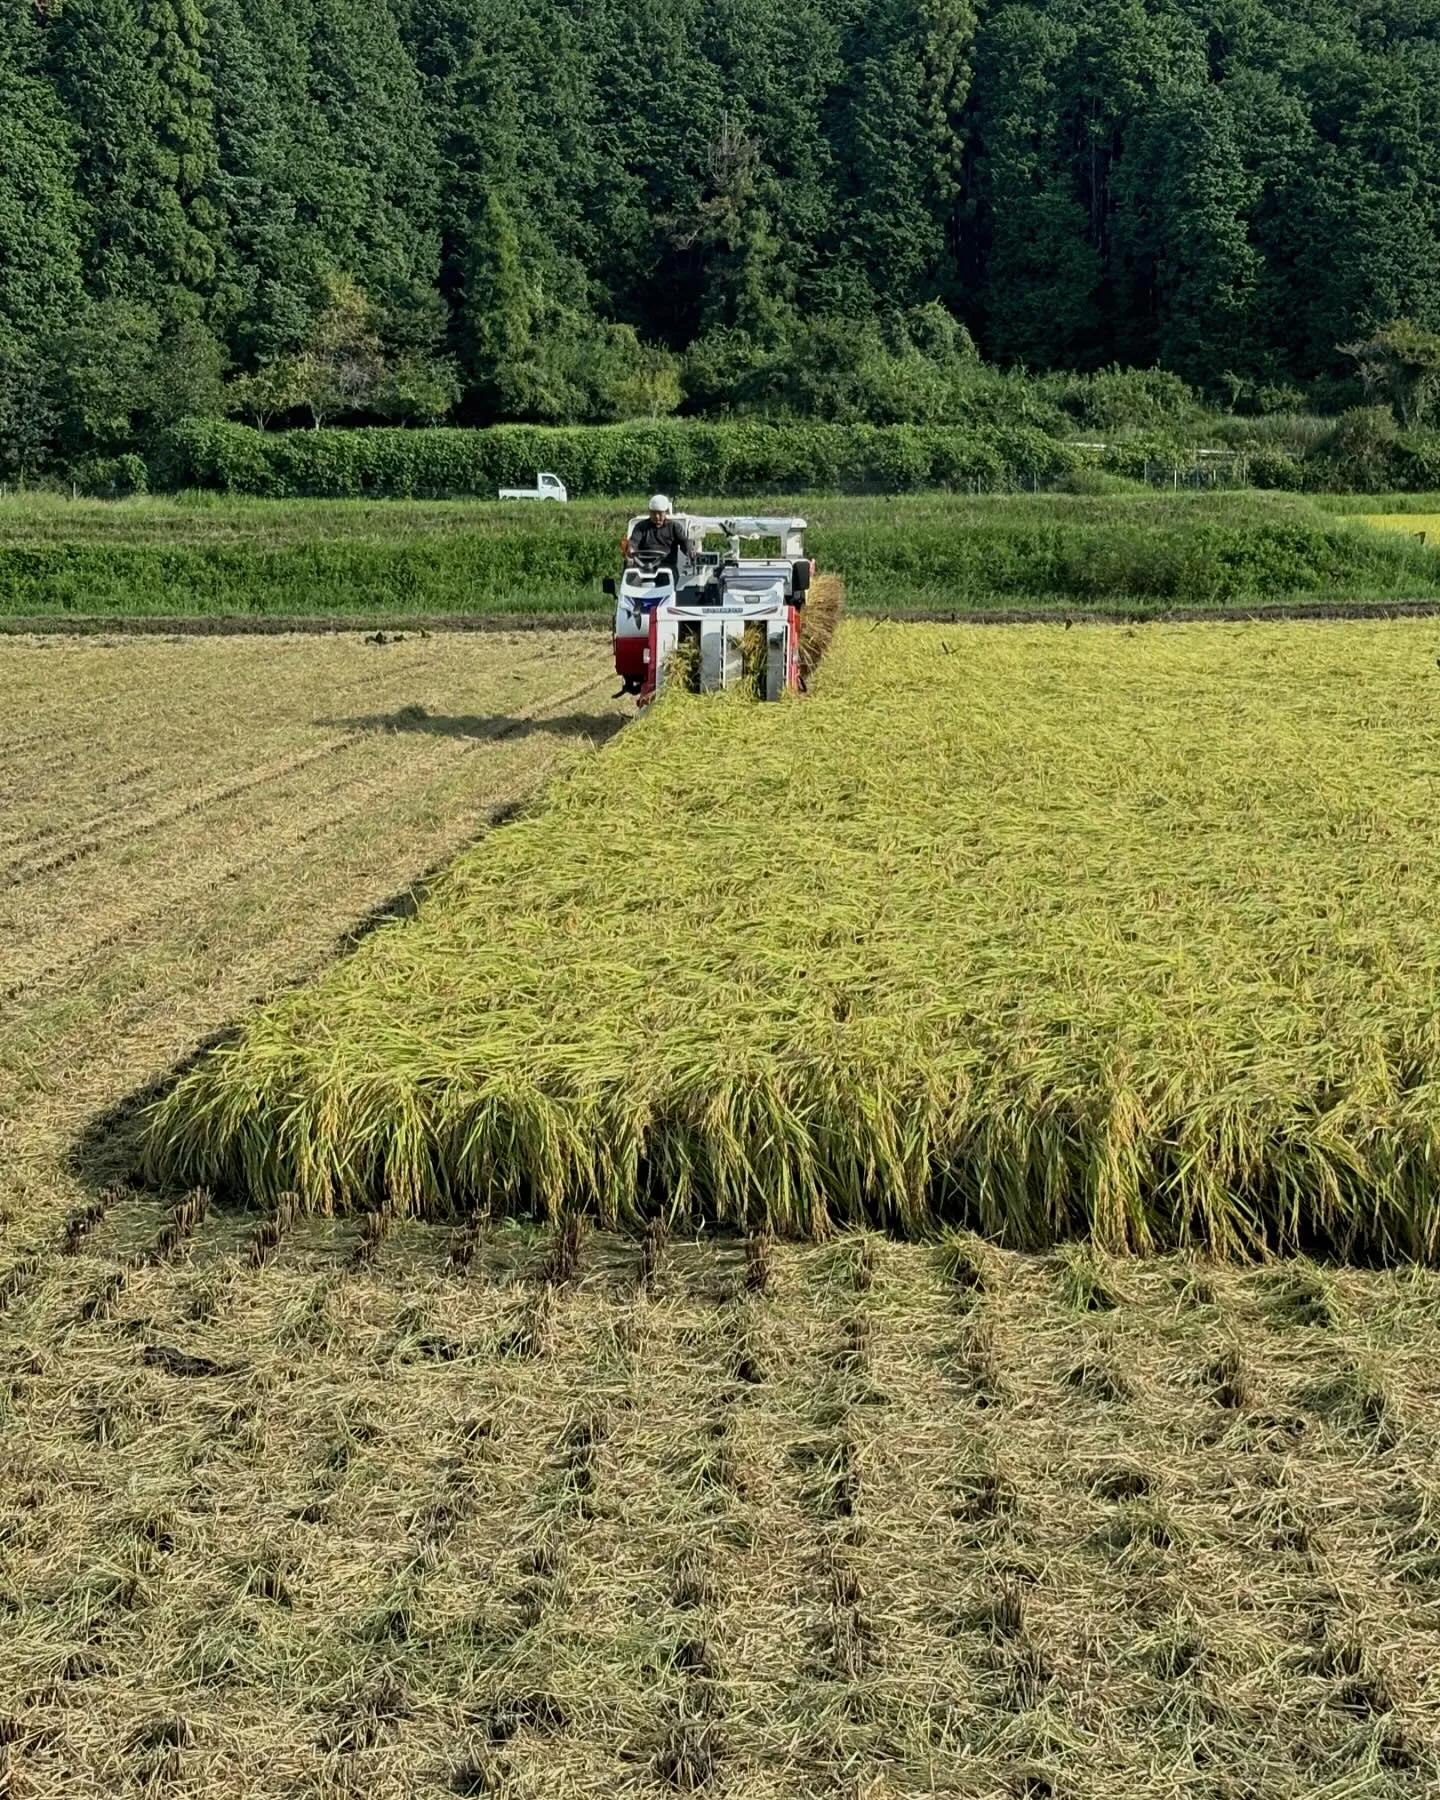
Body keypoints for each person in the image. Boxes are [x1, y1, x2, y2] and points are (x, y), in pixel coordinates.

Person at [628, 494, 693, 572]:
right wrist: (631, 548)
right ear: (649, 512)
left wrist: (690, 550)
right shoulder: (640, 527)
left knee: (664, 579)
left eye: (660, 513)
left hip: (666, 567)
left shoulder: (674, 527)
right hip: (642, 566)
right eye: (653, 513)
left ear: (666, 512)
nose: (657, 516)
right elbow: (634, 542)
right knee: (631, 577)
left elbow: (684, 542)